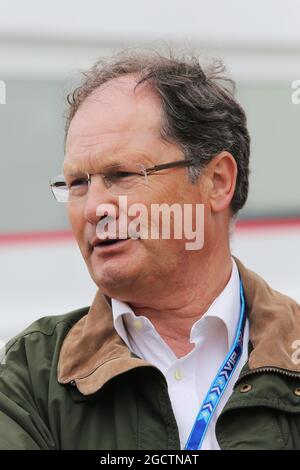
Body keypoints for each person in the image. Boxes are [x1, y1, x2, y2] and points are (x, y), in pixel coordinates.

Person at [1, 50, 300, 450]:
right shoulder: (29, 375)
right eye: (76, 184)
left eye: (121, 175)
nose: (93, 209)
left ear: (217, 181)